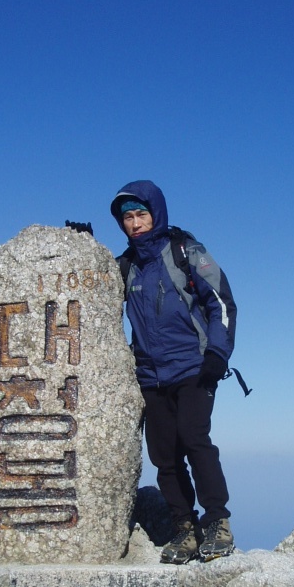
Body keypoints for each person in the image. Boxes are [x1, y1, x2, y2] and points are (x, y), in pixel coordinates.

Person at [110, 179, 237, 564]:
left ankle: (218, 522)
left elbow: (222, 302)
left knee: (195, 440)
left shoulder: (185, 250)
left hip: (194, 367)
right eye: (127, 217)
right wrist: (79, 248)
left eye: (141, 214)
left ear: (156, 213)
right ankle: (184, 528)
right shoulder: (126, 265)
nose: (135, 223)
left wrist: (218, 353)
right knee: (164, 455)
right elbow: (93, 286)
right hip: (150, 375)